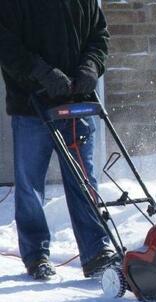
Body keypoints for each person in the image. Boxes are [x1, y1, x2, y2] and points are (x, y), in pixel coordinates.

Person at [0, 0, 117, 280]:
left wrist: (90, 68)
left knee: (84, 181)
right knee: (30, 186)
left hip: (78, 102)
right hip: (32, 107)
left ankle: (96, 252)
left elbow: (99, 34)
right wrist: (42, 73)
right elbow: (6, 43)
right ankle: (36, 254)